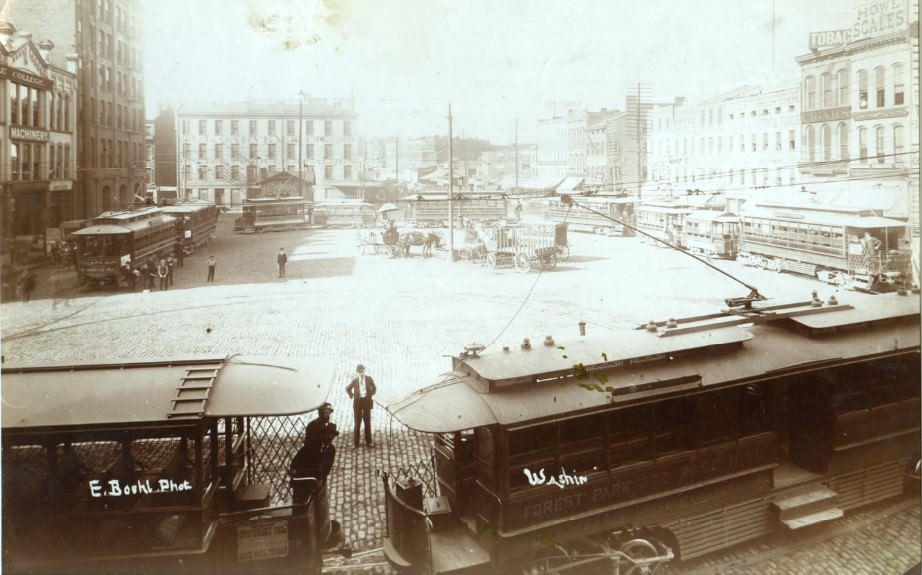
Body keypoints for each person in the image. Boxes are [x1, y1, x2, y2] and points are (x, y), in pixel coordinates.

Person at [345, 364, 376, 449]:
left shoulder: (369, 379)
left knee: (367, 422)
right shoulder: (355, 381)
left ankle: (369, 442)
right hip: (358, 404)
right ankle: (356, 443)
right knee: (357, 423)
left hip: (366, 402)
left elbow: (374, 388)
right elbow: (347, 388)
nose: (361, 374)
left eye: (362, 372)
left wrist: (370, 395)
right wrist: (352, 396)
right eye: (359, 372)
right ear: (357, 372)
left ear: (364, 371)